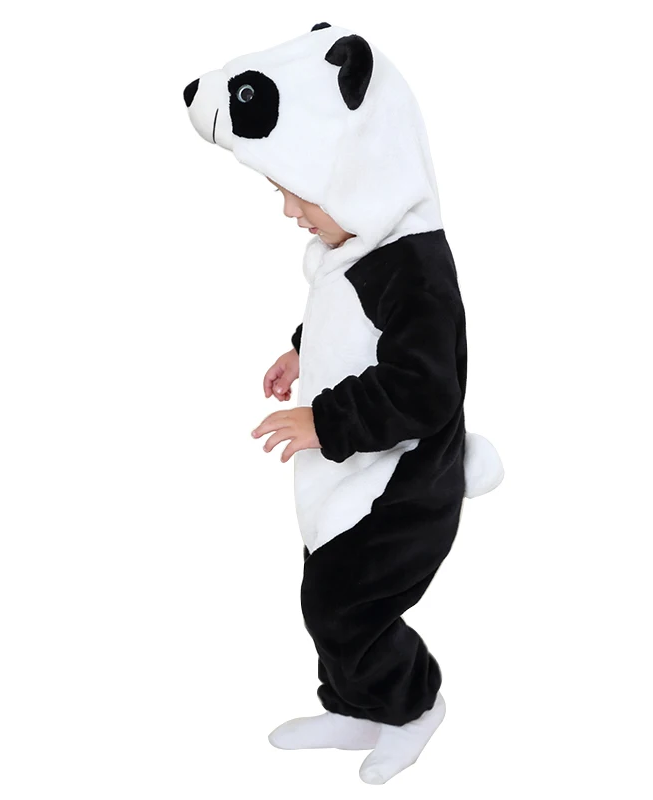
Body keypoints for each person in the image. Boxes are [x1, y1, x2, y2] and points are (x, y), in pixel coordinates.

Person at [184, 22, 503, 785]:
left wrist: (324, 419)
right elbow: (346, 320)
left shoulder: (416, 269)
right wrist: (301, 351)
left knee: (344, 606)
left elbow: (424, 388)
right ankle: (359, 705)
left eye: (300, 198)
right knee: (325, 598)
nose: (291, 214)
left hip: (404, 490)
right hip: (350, 480)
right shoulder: (359, 244)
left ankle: (413, 704)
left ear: (356, 178)